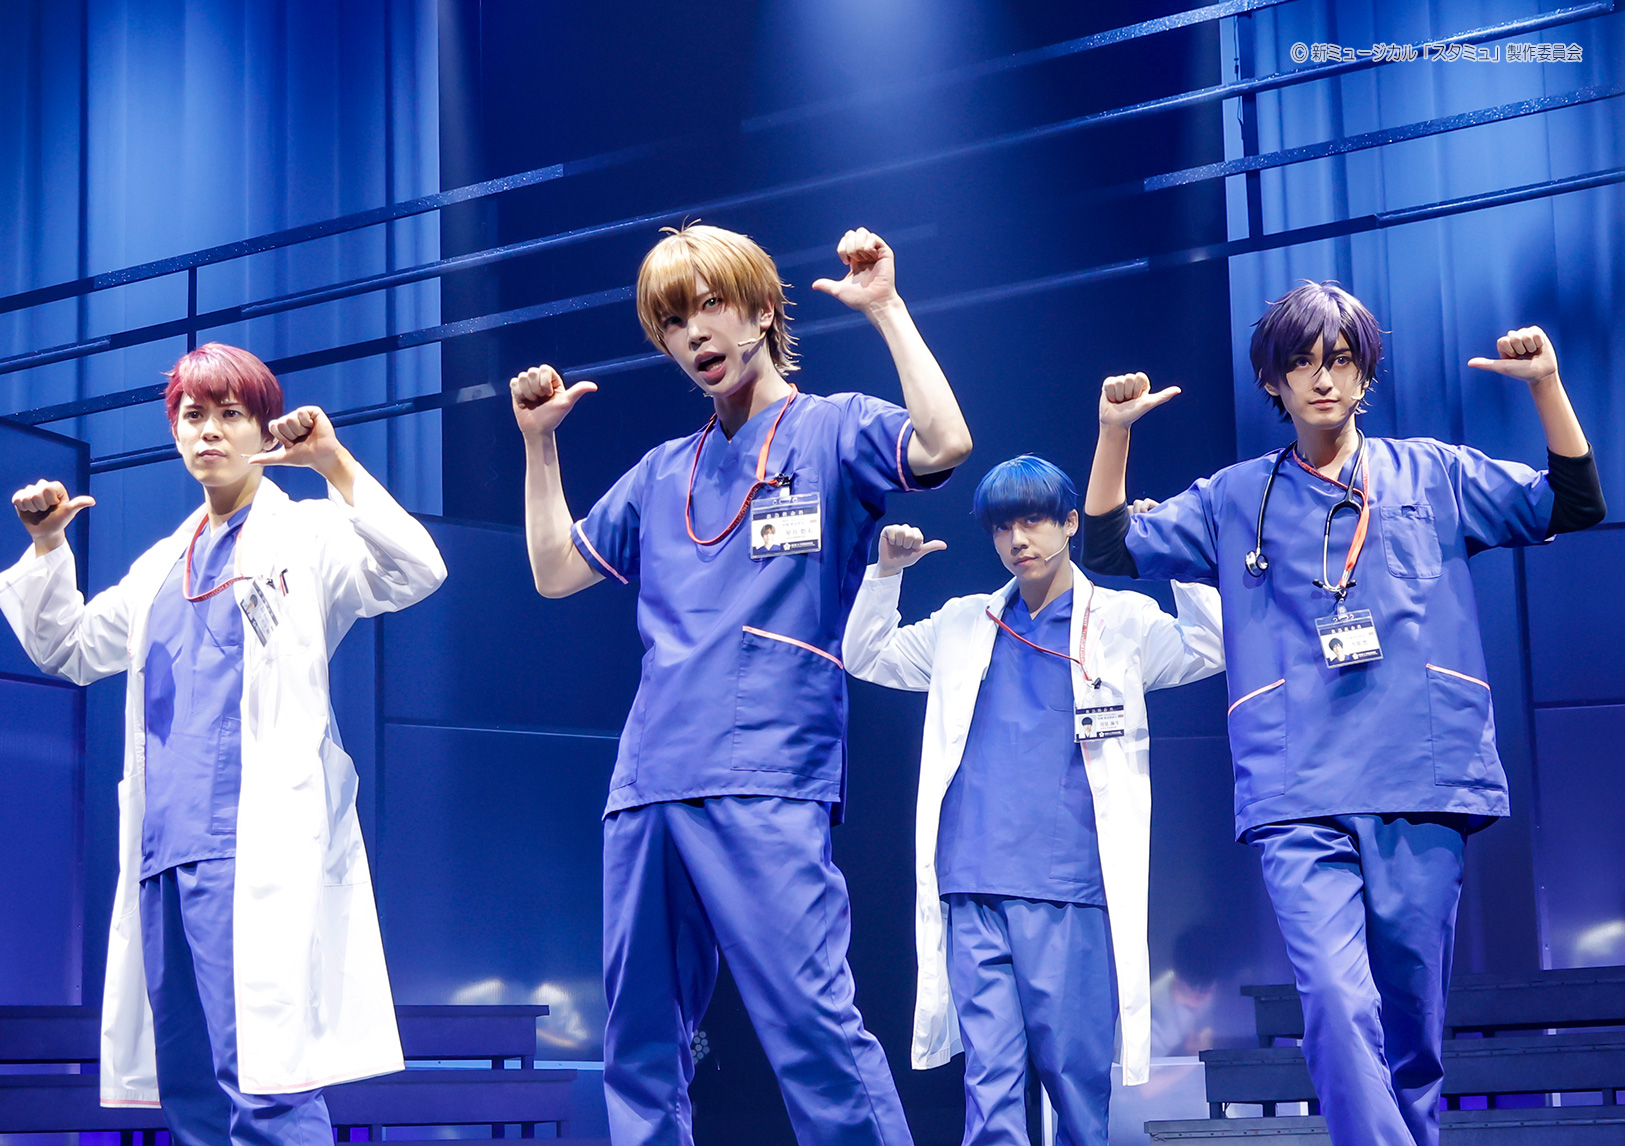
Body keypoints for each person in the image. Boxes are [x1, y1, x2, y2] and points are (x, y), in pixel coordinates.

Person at [1081, 282, 1605, 1146]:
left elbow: (1571, 503)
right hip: (1296, 788)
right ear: (1272, 382)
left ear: (1365, 373)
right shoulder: (1234, 497)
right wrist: (1114, 434)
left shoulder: (1432, 473)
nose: (1321, 378)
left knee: (1409, 1023)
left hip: (1419, 774)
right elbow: (1108, 546)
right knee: (1331, 997)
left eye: (1339, 360)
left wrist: (1545, 386)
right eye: (1300, 362)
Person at [508, 223, 972, 1146]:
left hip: (766, 773)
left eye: (712, 305)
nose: (694, 333)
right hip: (648, 785)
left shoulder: (832, 429)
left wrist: (885, 308)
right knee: (639, 1047)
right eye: (673, 321)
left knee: (812, 1026)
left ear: (762, 313)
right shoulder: (661, 472)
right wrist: (539, 447)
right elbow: (555, 571)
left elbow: (945, 441)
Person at [0, 343, 447, 1145]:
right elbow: (68, 648)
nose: (207, 430)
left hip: (250, 850)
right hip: (162, 856)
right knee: (191, 1092)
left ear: (263, 430)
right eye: (192, 414)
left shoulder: (305, 535)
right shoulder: (159, 566)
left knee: (268, 1087)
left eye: (230, 414)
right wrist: (44, 548)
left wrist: (334, 463)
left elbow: (416, 569)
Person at [842, 456, 1223, 1146]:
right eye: (1002, 527)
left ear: (1071, 523)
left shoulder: (1122, 621)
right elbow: (867, 656)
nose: (1017, 539)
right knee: (988, 1083)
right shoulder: (964, 622)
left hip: (1067, 885)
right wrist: (886, 573)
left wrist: (1173, 555)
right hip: (971, 881)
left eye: (1032, 520)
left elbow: (1213, 645)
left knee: (1073, 1079)